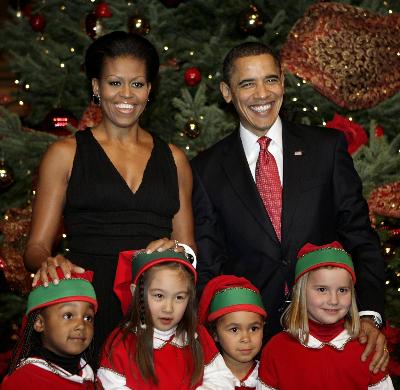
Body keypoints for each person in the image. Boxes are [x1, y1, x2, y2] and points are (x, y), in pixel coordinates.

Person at [191, 41, 388, 371]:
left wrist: (368, 314)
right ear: (227, 92)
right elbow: (209, 263)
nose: (262, 94)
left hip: (332, 329)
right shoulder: (206, 170)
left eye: (270, 79)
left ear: (282, 81)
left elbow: (359, 234)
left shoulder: (327, 149)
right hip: (249, 342)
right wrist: (211, 334)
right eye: (247, 83)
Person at [23, 31, 196, 355]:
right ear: (96, 87)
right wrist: (47, 262)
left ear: (150, 90)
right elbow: (35, 247)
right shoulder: (64, 154)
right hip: (86, 305)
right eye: (115, 83)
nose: (126, 94)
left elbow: (189, 252)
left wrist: (177, 251)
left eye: (138, 84)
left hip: (155, 307)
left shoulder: (174, 159)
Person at [257, 242, 394, 389]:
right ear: (301, 293)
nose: (334, 300)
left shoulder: (366, 347)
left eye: (342, 290)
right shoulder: (277, 349)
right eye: (322, 289)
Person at [97, 249, 233, 389]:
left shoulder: (196, 335)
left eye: (179, 297)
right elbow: (111, 385)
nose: (168, 308)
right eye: (159, 296)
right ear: (136, 292)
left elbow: (221, 378)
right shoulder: (122, 342)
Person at [1, 267, 97, 389]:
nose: (81, 325)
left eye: (88, 318)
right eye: (68, 315)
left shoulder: (90, 375)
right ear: (39, 323)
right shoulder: (24, 380)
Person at [198, 275, 267, 389]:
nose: (246, 338)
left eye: (254, 328)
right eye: (234, 329)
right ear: (215, 333)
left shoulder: (271, 376)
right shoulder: (204, 378)